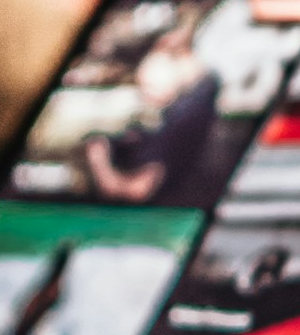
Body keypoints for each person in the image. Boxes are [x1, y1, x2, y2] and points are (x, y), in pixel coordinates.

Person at [82, 26, 220, 205]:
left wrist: (99, 162)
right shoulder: (202, 92)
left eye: (149, 86)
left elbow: (137, 191)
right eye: (142, 86)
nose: (145, 94)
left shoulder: (178, 121)